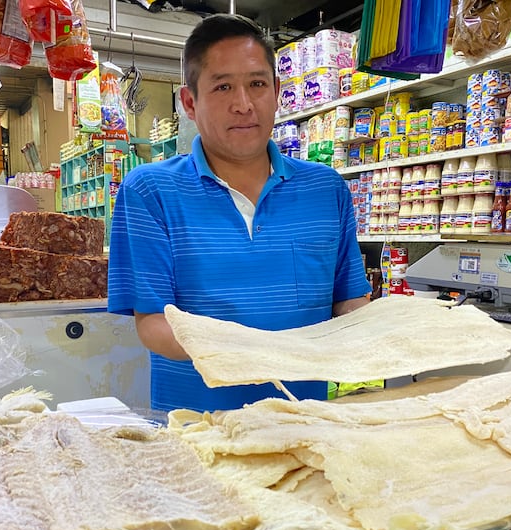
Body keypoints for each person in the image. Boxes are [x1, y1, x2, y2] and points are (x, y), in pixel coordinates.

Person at [107, 13, 371, 413]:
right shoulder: (150, 191)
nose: (244, 104)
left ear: (277, 91)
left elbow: (349, 302)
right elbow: (155, 324)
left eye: (257, 84)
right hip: (195, 429)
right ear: (190, 102)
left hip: (307, 423)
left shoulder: (326, 189)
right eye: (223, 86)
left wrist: (392, 333)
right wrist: (255, 354)